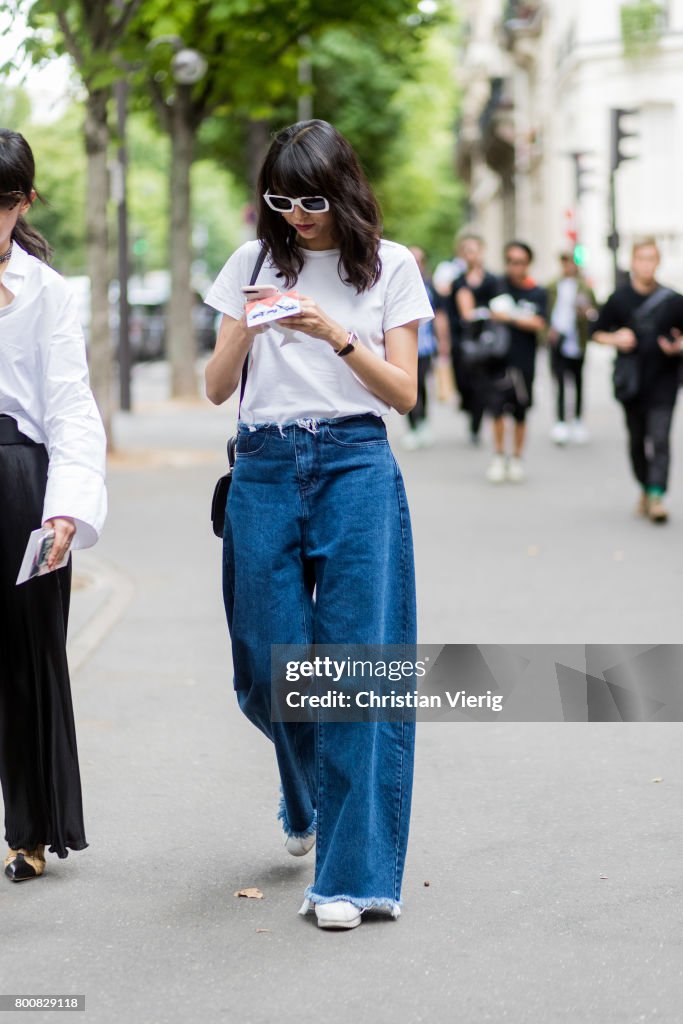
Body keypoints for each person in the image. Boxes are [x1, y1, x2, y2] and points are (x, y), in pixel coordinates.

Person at [204, 120, 433, 930]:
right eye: (281, 199)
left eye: (311, 198)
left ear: (342, 189)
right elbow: (213, 385)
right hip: (264, 467)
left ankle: (350, 878)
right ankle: (301, 791)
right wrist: (248, 323)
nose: (297, 214)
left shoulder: (391, 266)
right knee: (268, 667)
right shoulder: (253, 262)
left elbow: (403, 394)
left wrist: (330, 333)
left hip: (354, 466)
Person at [0, 130, 107, 881]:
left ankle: (29, 832)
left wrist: (65, 507)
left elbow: (70, 406)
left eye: (2, 204)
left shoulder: (50, 291)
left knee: (28, 661)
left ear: (24, 202)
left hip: (18, 478)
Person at [592, 238, 683, 523]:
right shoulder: (619, 299)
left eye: (651, 259)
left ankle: (657, 495)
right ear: (633, 262)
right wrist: (615, 338)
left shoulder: (673, 300)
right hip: (631, 383)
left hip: (664, 380)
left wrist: (679, 346)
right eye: (641, 258)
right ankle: (644, 487)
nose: (646, 265)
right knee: (636, 440)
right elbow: (596, 332)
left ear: (658, 262)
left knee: (660, 439)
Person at [461, 240, 547, 482]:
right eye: (510, 261)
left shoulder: (537, 292)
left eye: (519, 262)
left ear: (528, 263)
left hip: (524, 362)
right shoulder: (495, 285)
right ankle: (499, 457)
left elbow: (539, 323)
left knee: (520, 412)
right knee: (497, 411)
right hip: (496, 360)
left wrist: (508, 317)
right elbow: (469, 298)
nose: (514, 266)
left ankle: (517, 458)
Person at [450, 235, 500, 443]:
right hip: (462, 340)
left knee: (481, 384)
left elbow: (498, 307)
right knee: (463, 382)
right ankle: (469, 408)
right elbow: (450, 311)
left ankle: (476, 425)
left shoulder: (492, 280)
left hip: (485, 341)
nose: (470, 254)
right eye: (466, 250)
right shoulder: (458, 282)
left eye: (474, 250)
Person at [546, 252, 598, 445]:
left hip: (577, 339)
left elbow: (595, 310)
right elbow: (546, 312)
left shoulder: (583, 287)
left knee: (577, 382)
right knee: (559, 381)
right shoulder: (552, 285)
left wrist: (587, 312)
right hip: (558, 338)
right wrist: (547, 334)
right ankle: (560, 421)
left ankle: (577, 420)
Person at [401, 246, 438, 450]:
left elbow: (438, 317)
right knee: (406, 387)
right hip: (403, 348)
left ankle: (423, 422)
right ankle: (413, 427)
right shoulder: (398, 284)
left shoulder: (430, 287)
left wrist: (443, 345)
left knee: (421, 387)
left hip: (424, 347)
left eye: (419, 260)